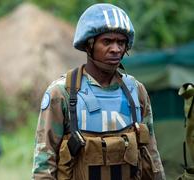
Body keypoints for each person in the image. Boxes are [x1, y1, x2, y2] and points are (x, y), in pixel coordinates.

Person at [32, 3, 165, 180]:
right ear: (89, 45)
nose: (116, 49)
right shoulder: (61, 93)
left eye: (121, 42)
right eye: (107, 41)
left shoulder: (136, 91)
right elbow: (44, 162)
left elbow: (151, 156)